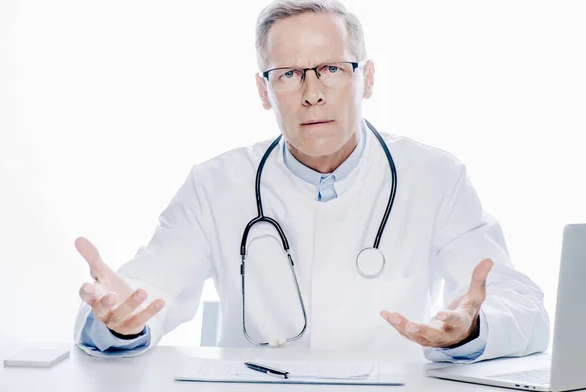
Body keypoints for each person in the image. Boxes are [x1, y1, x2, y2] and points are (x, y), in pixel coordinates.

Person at [73, 0, 549, 362]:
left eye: (331, 69)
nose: (312, 93)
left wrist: (472, 329)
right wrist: (117, 321)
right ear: (263, 90)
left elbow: (524, 306)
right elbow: (144, 290)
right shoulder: (214, 185)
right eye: (288, 74)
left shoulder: (436, 178)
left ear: (367, 79)